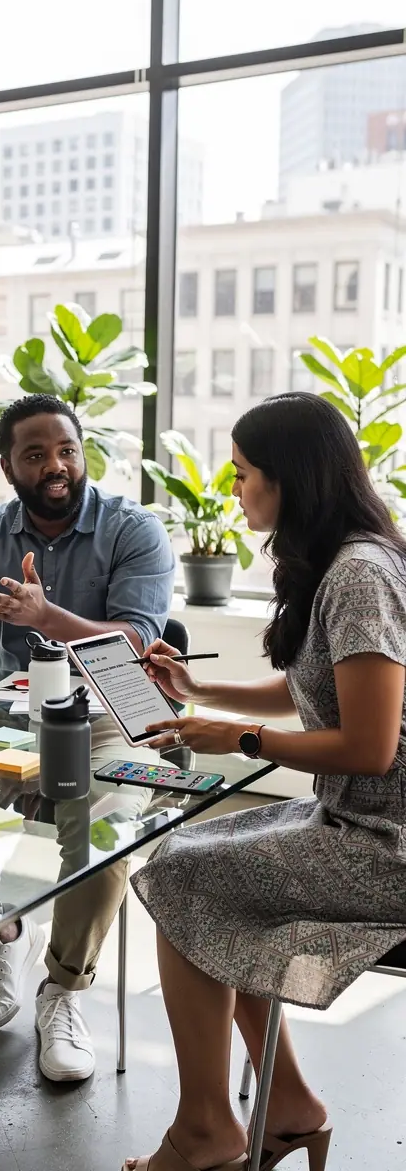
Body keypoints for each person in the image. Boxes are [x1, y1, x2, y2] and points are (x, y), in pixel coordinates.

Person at [124, 392, 406, 1171]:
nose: (236, 489)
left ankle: (206, 1130)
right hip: (352, 825)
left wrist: (242, 740)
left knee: (180, 879)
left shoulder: (358, 577)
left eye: (245, 473)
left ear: (290, 480)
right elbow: (312, 691)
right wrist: (198, 694)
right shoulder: (347, 562)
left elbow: (371, 745)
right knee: (192, 865)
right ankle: (284, 1108)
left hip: (387, 845)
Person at [0, 393, 174, 1081]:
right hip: (7, 714)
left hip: (112, 708)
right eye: (36, 454)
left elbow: (137, 644)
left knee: (107, 833)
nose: (56, 465)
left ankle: (63, 989)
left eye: (67, 450)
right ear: (8, 465)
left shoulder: (134, 529)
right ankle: (0, 933)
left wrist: (48, 614)